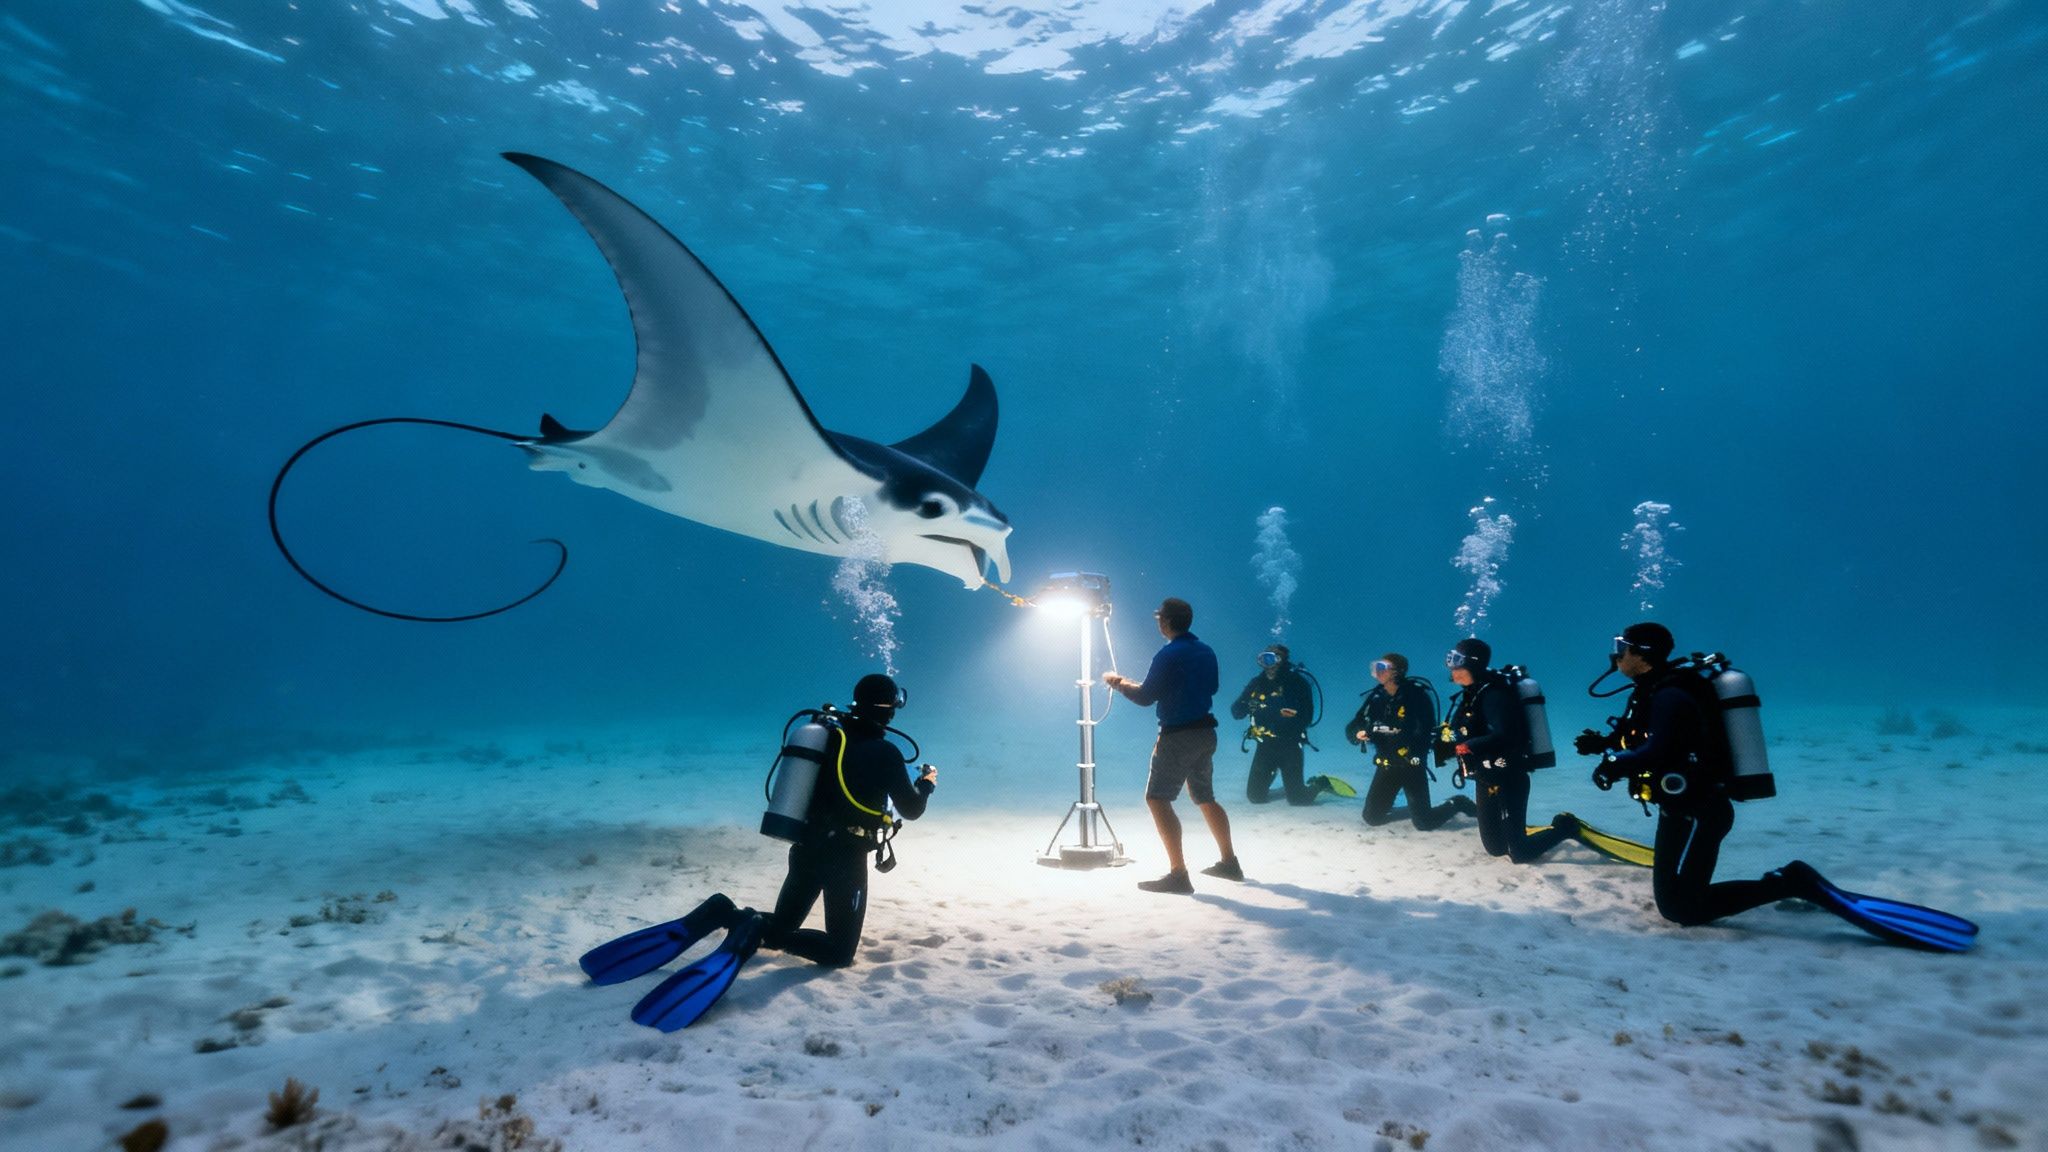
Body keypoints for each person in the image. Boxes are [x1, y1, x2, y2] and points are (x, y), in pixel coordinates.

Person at [1571, 624, 1973, 950]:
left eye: (1621, 647)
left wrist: (1612, 766)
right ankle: (1783, 882)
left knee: (1685, 911)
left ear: (1642, 654)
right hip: (1676, 807)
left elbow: (1655, 751)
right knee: (1672, 906)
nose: (1616, 654)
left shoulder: (1671, 694)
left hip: (1703, 813)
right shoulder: (1652, 692)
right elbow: (1647, 740)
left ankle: (1791, 882)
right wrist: (1604, 746)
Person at [576, 673, 939, 1030]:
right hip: (844, 859)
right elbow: (911, 810)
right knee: (839, 952)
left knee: (782, 925)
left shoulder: (828, 737)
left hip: (806, 848)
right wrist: (925, 785)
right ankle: (751, 928)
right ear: (889, 711)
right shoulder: (885, 752)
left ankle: (723, 912)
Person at [1103, 597, 1241, 894]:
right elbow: (1213, 687)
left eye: (1159, 618)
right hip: (1206, 732)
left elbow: (1144, 697)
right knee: (1205, 796)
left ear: (1164, 622)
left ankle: (1178, 874)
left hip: (1178, 736)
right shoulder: (1206, 651)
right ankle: (1230, 862)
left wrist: (1118, 682)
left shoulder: (1167, 655)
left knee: (1157, 799)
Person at [1440, 637, 1574, 863]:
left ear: (1472, 663)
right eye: (1450, 659)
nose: (1450, 666)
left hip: (1509, 776)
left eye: (1456, 661)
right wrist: (1445, 739)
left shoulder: (1495, 694)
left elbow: (1508, 735)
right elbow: (1458, 731)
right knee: (1495, 848)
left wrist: (1469, 745)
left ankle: (1566, 827)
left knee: (1519, 853)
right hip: (1484, 777)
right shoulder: (1470, 696)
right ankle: (1516, 832)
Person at [1347, 653, 1477, 829]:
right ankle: (1416, 810)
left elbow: (1426, 732)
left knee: (1424, 823)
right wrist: (1357, 734)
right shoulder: (1376, 698)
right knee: (1371, 817)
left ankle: (1457, 803)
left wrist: (1400, 739)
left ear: (1396, 672)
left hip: (1411, 766)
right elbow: (1353, 726)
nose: (1376, 672)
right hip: (1386, 765)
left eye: (1381, 668)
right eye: (1375, 668)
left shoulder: (1417, 696)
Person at [1230, 643, 1319, 804]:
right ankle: (1276, 774)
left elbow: (1307, 717)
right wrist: (1246, 705)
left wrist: (1270, 711)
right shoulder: (1257, 683)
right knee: (1255, 797)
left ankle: (1320, 783)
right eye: (1265, 659)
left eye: (1274, 659)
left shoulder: (1298, 683)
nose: (1270, 665)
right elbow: (1236, 711)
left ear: (1283, 660)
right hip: (1265, 746)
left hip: (1291, 746)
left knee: (1298, 800)